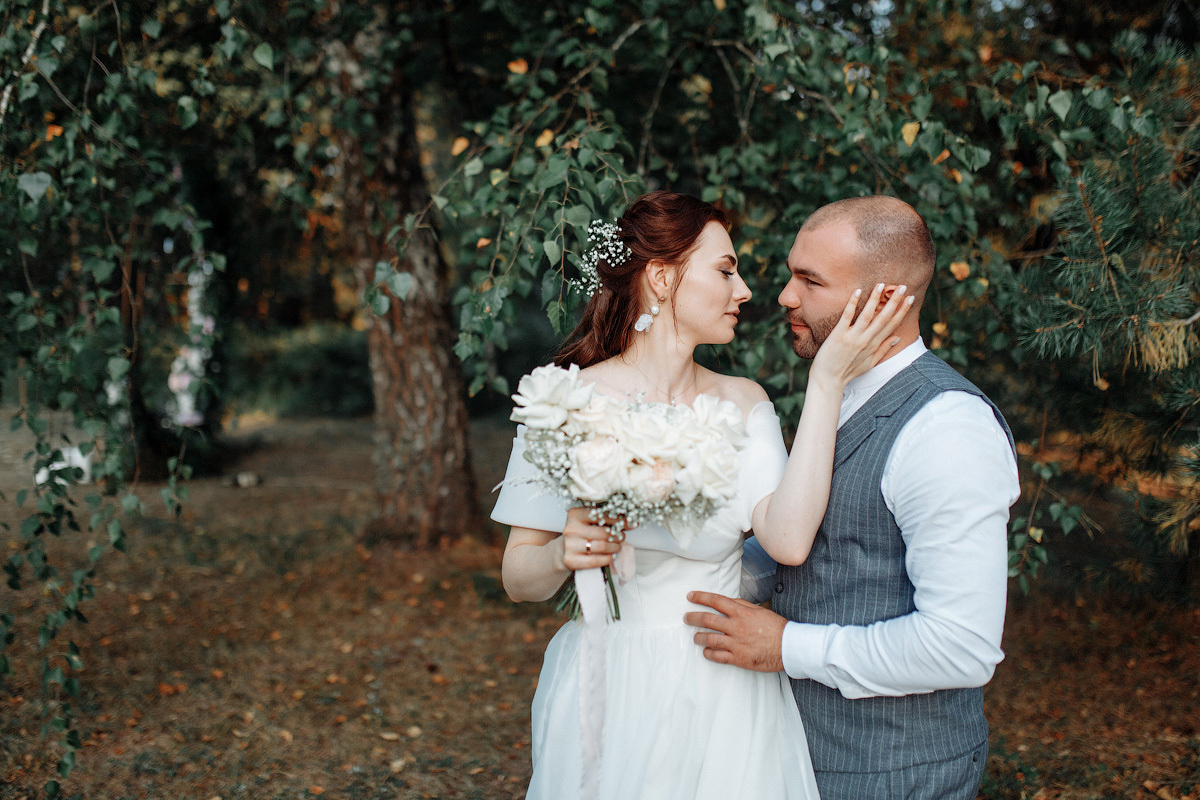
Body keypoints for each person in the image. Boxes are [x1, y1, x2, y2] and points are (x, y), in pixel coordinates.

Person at [491, 191, 911, 800]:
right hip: (610, 683)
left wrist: (826, 382)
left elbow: (789, 541)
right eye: (725, 270)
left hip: (725, 685)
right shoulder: (563, 402)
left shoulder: (745, 401)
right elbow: (516, 577)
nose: (743, 291)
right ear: (662, 278)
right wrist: (563, 555)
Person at [684, 195, 1021, 800]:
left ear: (886, 300)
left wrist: (787, 645)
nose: (785, 296)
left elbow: (961, 648)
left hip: (893, 773)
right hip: (790, 757)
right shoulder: (833, 397)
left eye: (810, 281)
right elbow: (823, 555)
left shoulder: (946, 430)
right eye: (793, 273)